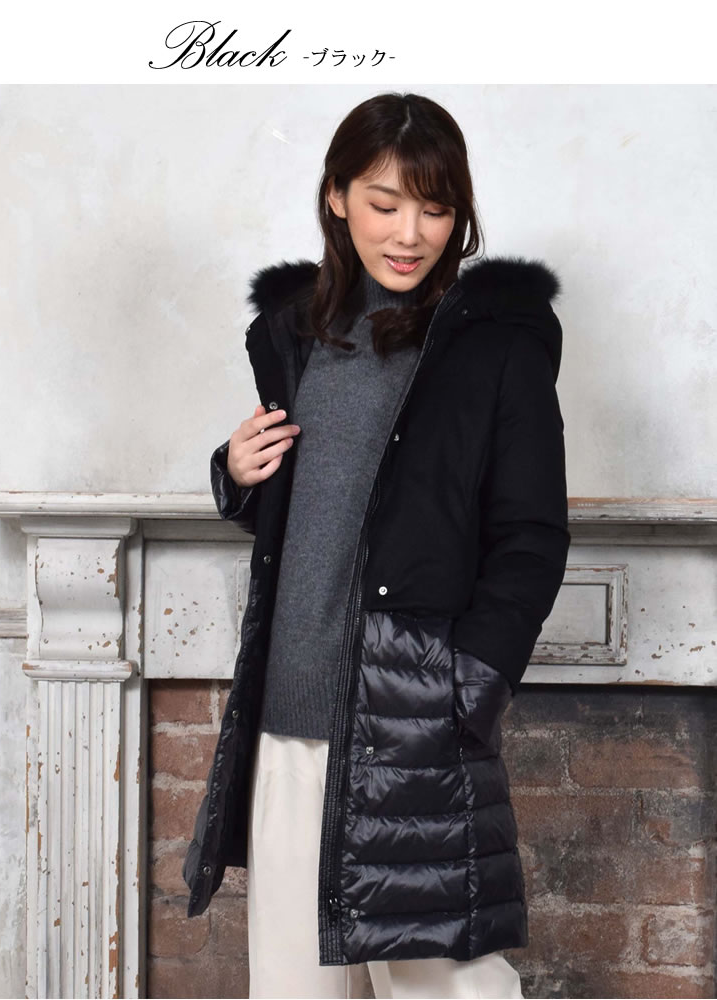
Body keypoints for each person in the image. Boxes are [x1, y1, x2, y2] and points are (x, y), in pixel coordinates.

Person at [183, 92, 570, 1000]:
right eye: (385, 203)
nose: (410, 234)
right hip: (287, 720)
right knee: (295, 988)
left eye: (435, 209)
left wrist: (467, 687)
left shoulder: (495, 346)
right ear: (337, 197)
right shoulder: (293, 338)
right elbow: (321, 514)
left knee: (452, 987)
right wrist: (235, 473)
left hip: (410, 722)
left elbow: (532, 537)